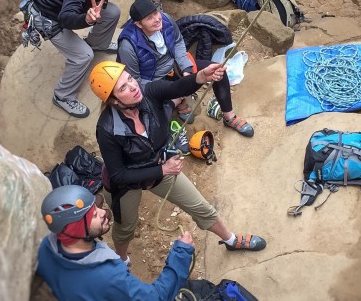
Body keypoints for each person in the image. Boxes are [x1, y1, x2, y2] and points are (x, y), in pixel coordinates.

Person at [89, 60, 266, 265]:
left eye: (130, 79)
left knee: (201, 207)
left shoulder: (148, 91)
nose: (133, 87)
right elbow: (118, 174)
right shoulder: (107, 129)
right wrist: (162, 169)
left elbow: (176, 87)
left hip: (159, 166)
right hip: (125, 184)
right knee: (126, 227)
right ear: (114, 101)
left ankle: (231, 240)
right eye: (123, 88)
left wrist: (201, 77)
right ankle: (122, 260)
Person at [117, 0, 254, 137]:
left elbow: (177, 42)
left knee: (217, 71)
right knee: (161, 112)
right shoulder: (128, 45)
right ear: (139, 25)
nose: (157, 19)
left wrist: (186, 69)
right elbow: (136, 80)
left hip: (174, 66)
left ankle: (229, 117)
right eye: (149, 18)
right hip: (153, 80)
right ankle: (177, 102)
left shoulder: (166, 20)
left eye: (155, 13)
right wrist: (168, 91)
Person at [29, 0, 140, 118]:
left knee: (112, 12)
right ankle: (62, 96)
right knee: (83, 55)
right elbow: (65, 18)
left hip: (57, 2)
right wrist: (86, 20)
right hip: (47, 14)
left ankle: (98, 43)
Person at [38, 184, 194, 300]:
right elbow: (155, 298)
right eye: (93, 215)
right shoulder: (108, 275)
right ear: (76, 230)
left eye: (95, 208)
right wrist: (181, 254)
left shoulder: (46, 248)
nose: (102, 212)